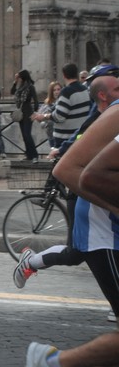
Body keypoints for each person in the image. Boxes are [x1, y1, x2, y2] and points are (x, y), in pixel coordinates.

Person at [20, 95, 119, 367]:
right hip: (104, 233)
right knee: (71, 253)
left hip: (105, 232)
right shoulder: (113, 113)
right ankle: (54, 362)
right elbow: (74, 171)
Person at [13, 75, 119, 323]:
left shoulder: (104, 113)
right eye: (117, 86)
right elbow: (71, 158)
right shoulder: (108, 116)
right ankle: (57, 362)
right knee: (75, 253)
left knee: (75, 254)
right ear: (103, 95)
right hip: (92, 206)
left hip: (96, 202)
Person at [32, 63, 90, 149]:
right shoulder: (84, 89)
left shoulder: (66, 92)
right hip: (79, 135)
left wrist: (44, 116)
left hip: (66, 139)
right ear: (77, 74)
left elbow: (59, 117)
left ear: (64, 75)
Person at [11, 70, 39, 163]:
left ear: (23, 77)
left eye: (19, 77)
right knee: (24, 135)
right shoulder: (19, 86)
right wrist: (15, 82)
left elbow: (36, 101)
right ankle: (29, 155)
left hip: (28, 113)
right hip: (20, 114)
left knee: (27, 134)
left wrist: (35, 113)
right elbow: (12, 91)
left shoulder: (30, 87)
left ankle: (35, 155)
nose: (18, 78)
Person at [37, 81, 61, 148]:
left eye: (58, 89)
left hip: (61, 132)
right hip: (50, 132)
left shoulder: (63, 101)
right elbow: (40, 116)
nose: (56, 92)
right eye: (54, 90)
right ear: (51, 92)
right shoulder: (47, 103)